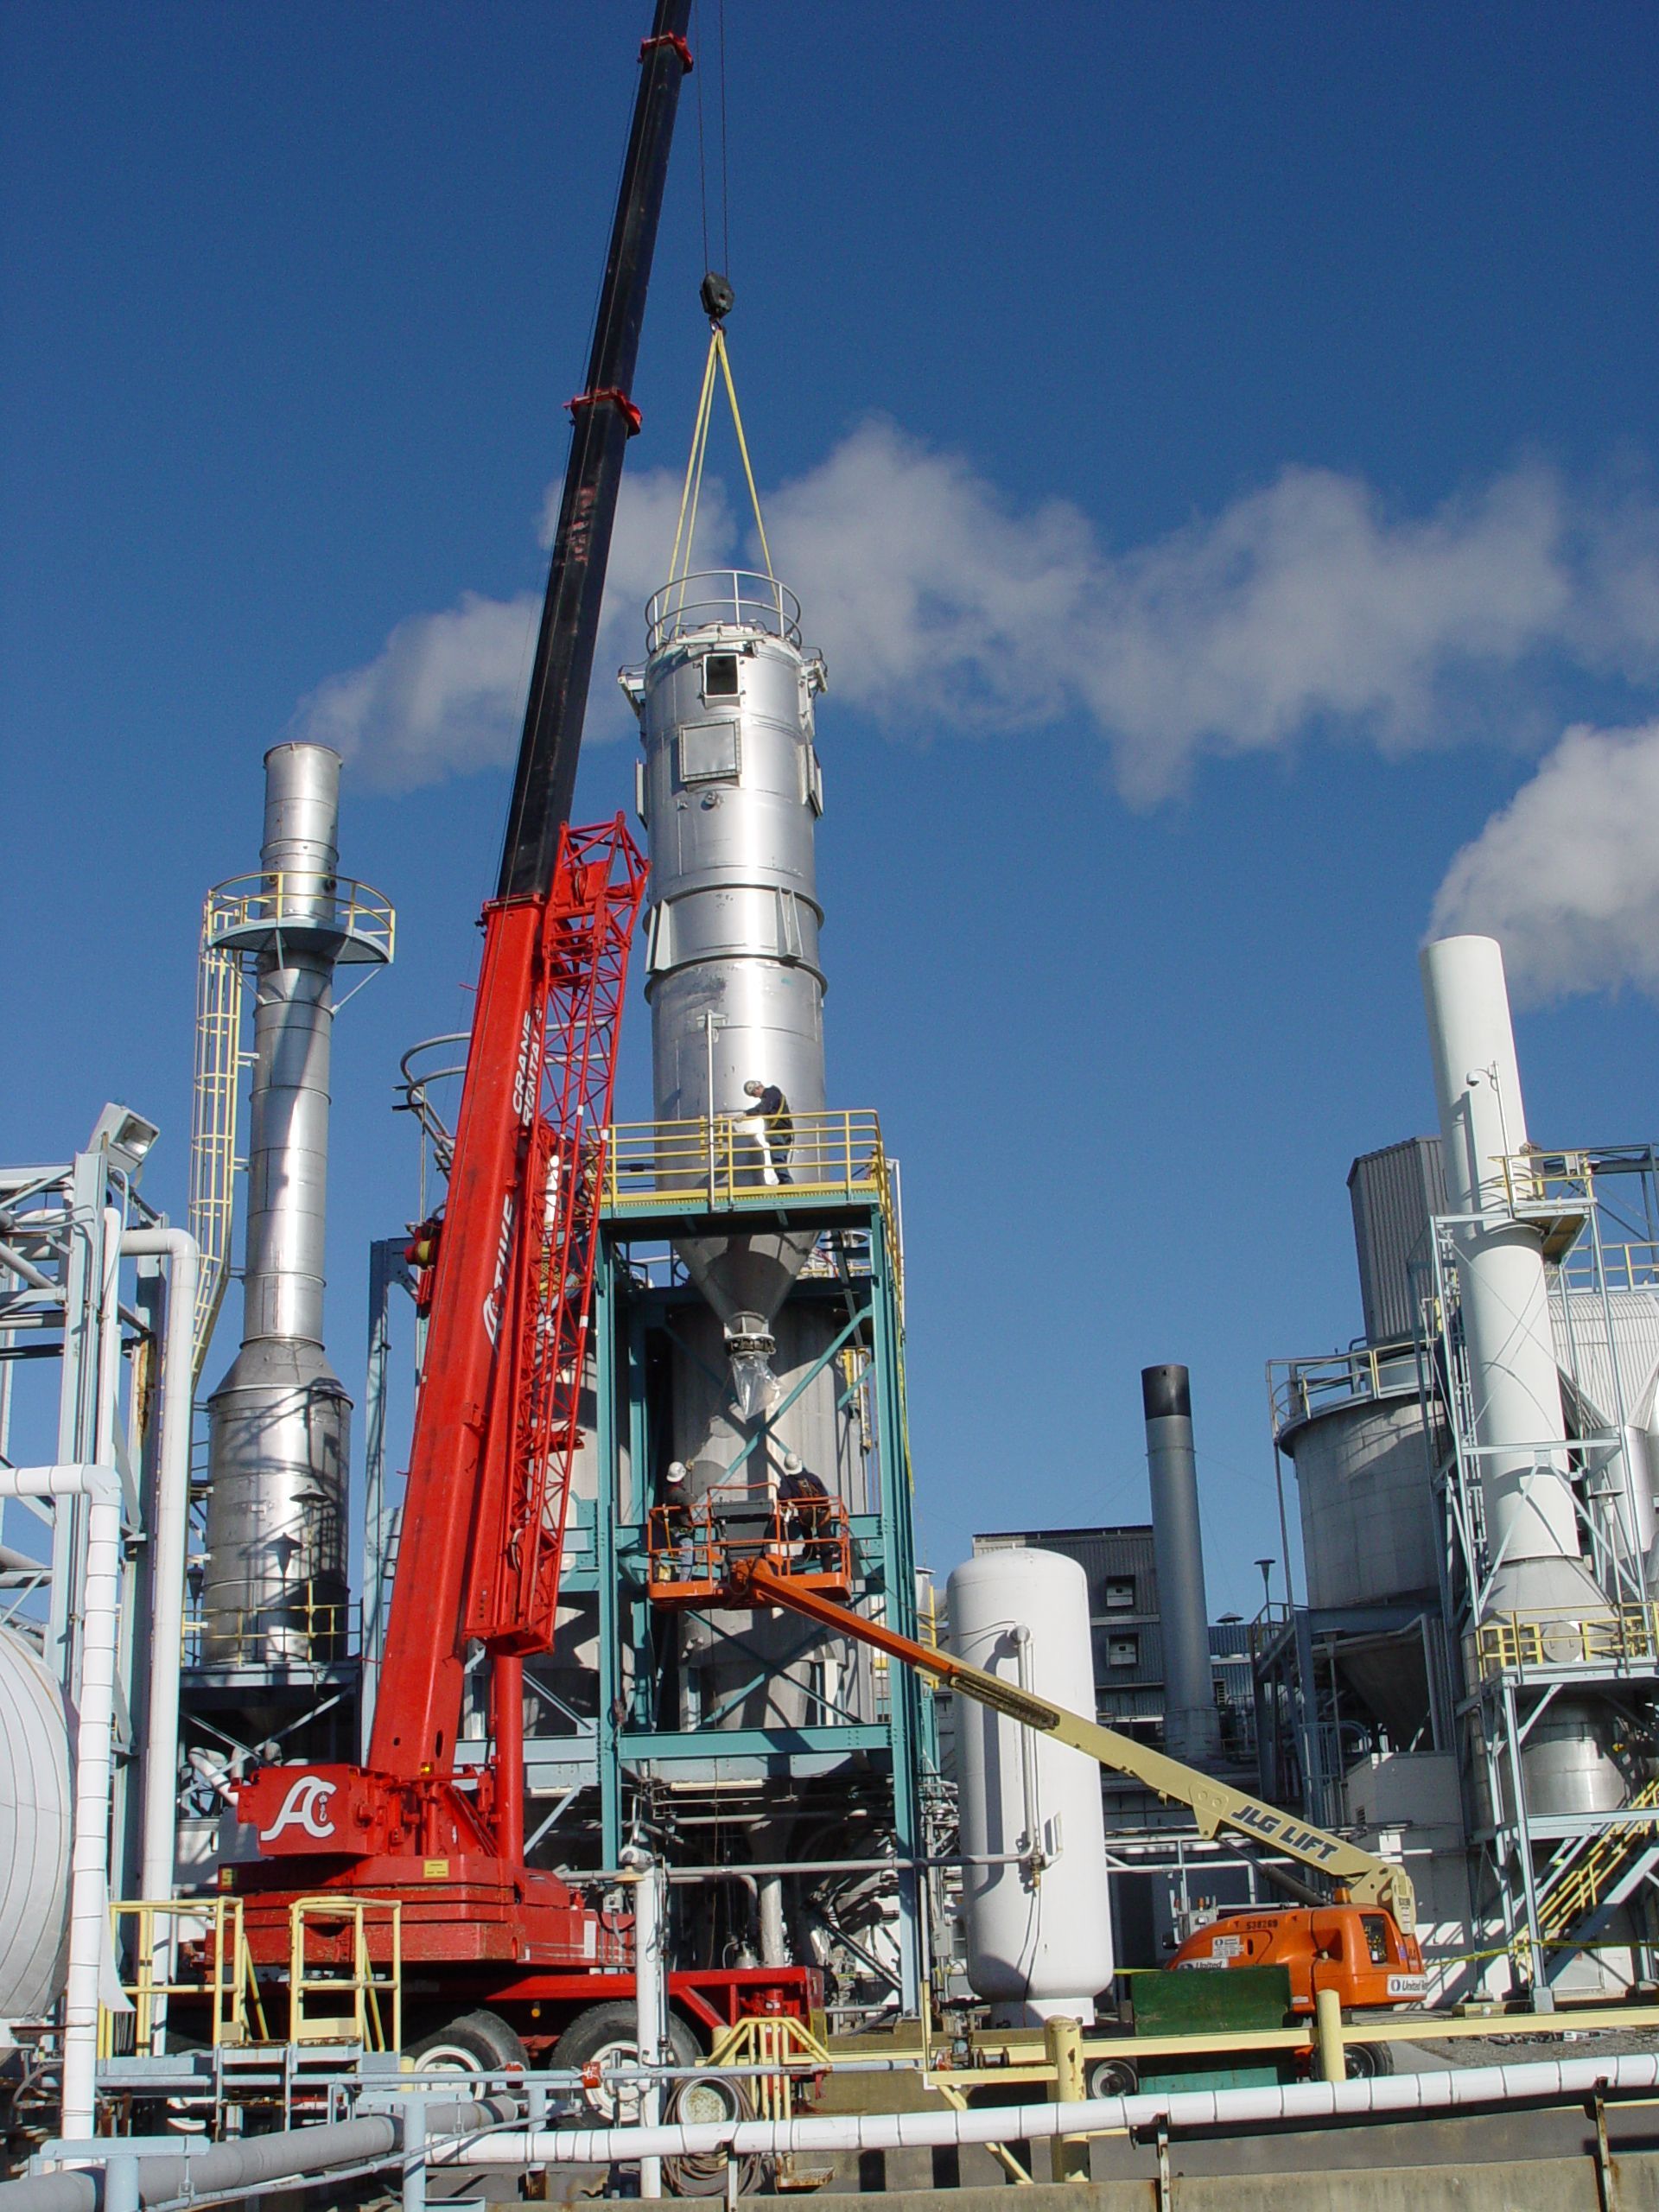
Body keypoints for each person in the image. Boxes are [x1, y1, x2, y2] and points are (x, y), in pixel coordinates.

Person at [777, 1450, 836, 1572]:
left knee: (806, 1532)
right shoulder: (812, 1478)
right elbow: (824, 1495)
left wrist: (788, 1505)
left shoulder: (788, 1481)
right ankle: (827, 1569)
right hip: (823, 1514)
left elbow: (783, 1495)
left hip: (806, 1516)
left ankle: (810, 1552)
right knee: (825, 1540)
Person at [737, 1078, 793, 1185]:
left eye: (754, 1093)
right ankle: (784, 1182)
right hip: (783, 1133)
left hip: (778, 1132)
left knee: (778, 1160)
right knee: (780, 1159)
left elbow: (764, 1108)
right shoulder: (774, 1095)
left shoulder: (771, 1094)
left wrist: (746, 1114)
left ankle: (786, 1184)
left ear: (758, 1088)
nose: (755, 1096)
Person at [661, 1460, 696, 1581]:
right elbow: (689, 1501)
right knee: (687, 1557)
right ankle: (685, 1583)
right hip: (681, 1529)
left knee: (689, 1556)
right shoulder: (676, 1492)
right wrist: (692, 1496)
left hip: (678, 1527)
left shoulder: (670, 1490)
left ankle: (686, 1581)